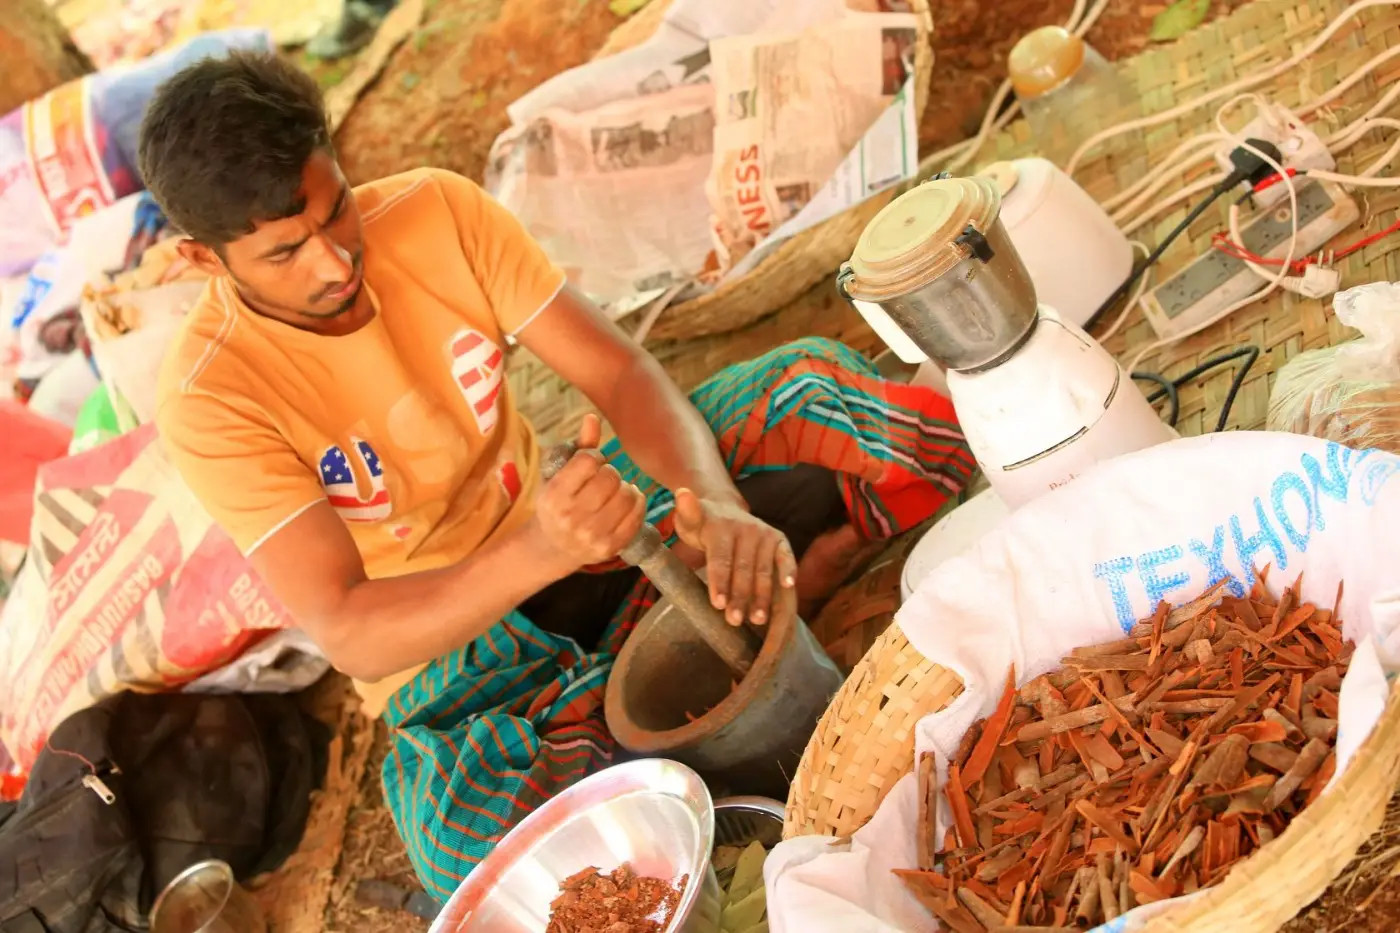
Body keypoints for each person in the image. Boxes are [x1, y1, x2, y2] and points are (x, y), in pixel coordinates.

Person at [140, 51, 976, 900]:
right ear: (204, 260)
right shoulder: (211, 395)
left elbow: (619, 375)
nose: (334, 263)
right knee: (458, 833)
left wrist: (715, 505)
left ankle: (699, 674)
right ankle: (717, 662)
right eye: (285, 252)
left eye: (337, 211)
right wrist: (543, 547)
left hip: (595, 538)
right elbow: (351, 628)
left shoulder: (434, 212)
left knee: (804, 387)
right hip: (459, 657)